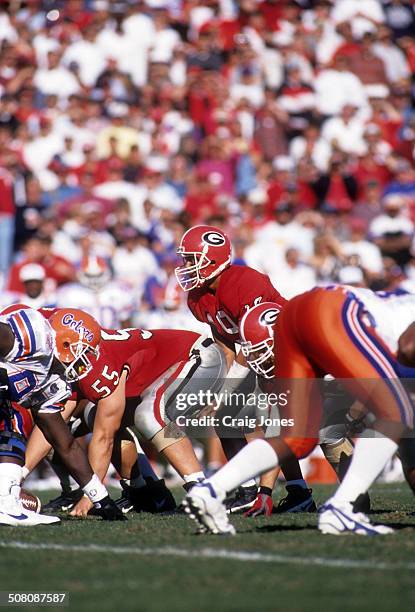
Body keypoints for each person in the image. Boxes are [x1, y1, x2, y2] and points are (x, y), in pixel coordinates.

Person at [183, 285, 415, 535]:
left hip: (296, 312)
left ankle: (211, 490)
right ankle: (342, 508)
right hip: (333, 311)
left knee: (296, 438)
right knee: (397, 414)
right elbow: (408, 346)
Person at [175, 224, 315, 514]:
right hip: (258, 354)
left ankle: (284, 493)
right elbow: (226, 343)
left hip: (287, 351)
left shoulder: (243, 281)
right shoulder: (197, 298)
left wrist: (227, 390)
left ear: (212, 259)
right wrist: (218, 387)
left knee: (284, 424)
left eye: (191, 259)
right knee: (226, 417)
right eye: (185, 259)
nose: (186, 266)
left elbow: (260, 336)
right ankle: (256, 489)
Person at [0, 305, 124, 525]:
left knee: (16, 408)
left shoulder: (56, 380)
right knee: (15, 413)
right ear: (66, 342)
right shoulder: (35, 335)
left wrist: (101, 499)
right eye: (83, 350)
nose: (85, 359)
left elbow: (64, 442)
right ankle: (5, 503)